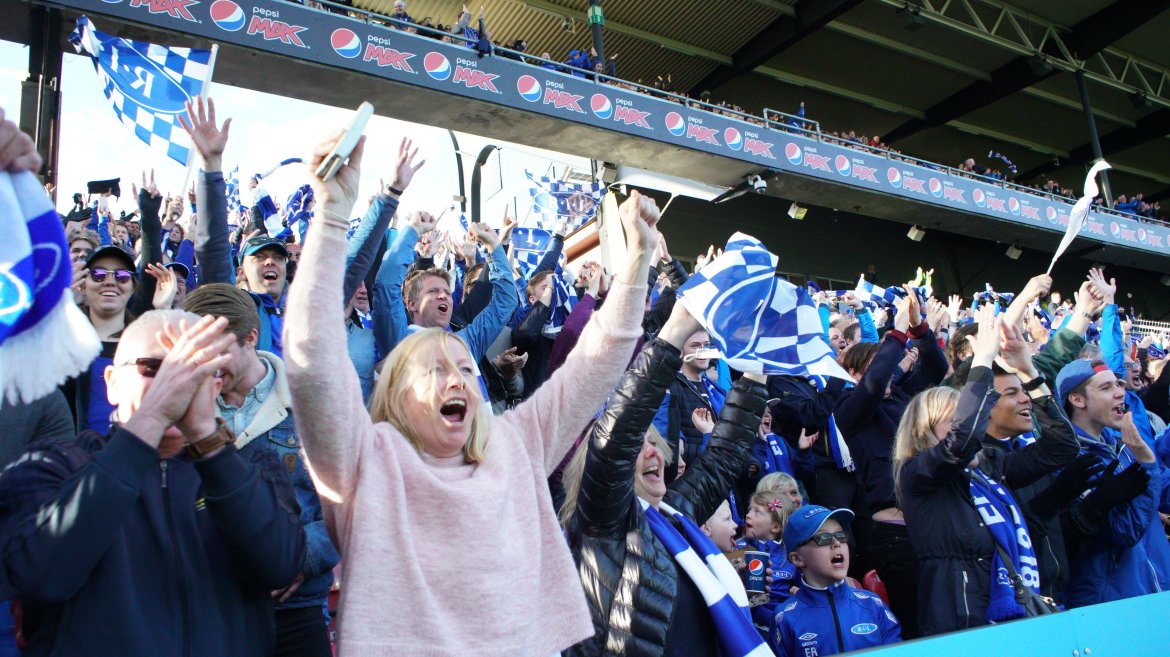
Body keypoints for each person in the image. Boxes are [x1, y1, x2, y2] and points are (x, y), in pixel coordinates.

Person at [283, 125, 664, 654]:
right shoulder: (365, 461)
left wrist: (638, 262)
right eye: (435, 369)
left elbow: (595, 365)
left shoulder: (516, 444)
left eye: (465, 368)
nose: (457, 378)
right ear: (395, 394)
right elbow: (311, 360)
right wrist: (331, 214)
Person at [0, 311, 304, 656]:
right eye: (153, 368)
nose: (176, 384)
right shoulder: (54, 465)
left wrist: (208, 441)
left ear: (216, 386)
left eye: (195, 370)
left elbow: (279, 566)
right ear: (112, 383)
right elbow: (41, 576)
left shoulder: (252, 467)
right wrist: (151, 418)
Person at [558, 298, 769, 657]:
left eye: (654, 443)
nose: (652, 452)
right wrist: (675, 331)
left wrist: (757, 364)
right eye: (637, 447)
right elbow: (614, 442)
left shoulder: (673, 518)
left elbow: (723, 458)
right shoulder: (600, 529)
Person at [895, 306, 1078, 636]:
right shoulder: (917, 475)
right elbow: (960, 443)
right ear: (925, 432)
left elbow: (1062, 446)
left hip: (1012, 615)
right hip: (960, 621)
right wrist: (982, 360)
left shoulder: (989, 466)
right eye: (957, 419)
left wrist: (1028, 371)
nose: (974, 426)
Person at [183, 284, 339, 657]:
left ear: (251, 337)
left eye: (217, 349)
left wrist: (296, 559)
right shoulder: (182, 410)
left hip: (296, 608)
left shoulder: (312, 403)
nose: (206, 363)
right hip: (215, 607)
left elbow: (349, 505)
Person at [834, 291, 948, 639]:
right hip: (895, 535)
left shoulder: (899, 395)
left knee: (944, 618)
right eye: (877, 367)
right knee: (915, 624)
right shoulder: (849, 408)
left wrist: (919, 328)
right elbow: (872, 386)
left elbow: (937, 369)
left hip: (932, 520)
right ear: (854, 374)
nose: (886, 375)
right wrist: (896, 333)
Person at [1055, 357, 1169, 607]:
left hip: (1156, 590)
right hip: (1112, 606)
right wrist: (1146, 462)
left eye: (1118, 384)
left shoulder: (1122, 444)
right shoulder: (1073, 462)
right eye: (1106, 388)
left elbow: (1164, 490)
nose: (1120, 393)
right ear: (1077, 399)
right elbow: (1126, 530)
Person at [769, 505, 901, 657]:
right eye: (823, 538)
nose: (837, 543)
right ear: (797, 558)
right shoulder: (785, 618)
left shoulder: (873, 604)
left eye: (841, 535)